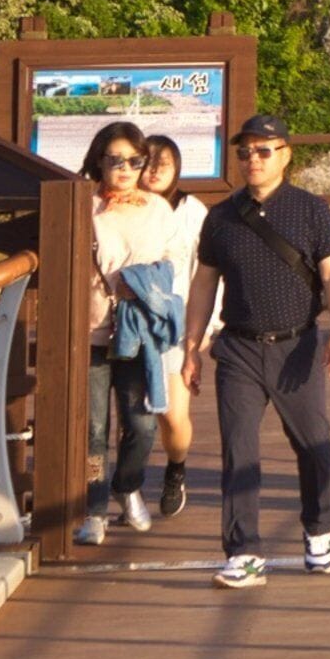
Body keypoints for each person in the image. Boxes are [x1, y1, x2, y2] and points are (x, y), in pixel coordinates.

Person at [182, 113, 330, 589]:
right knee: (238, 448)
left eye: (262, 150)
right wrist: (191, 347)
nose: (252, 159)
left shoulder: (311, 210)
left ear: (285, 155)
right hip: (238, 347)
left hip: (297, 345)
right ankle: (244, 553)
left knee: (314, 445)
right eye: (244, 152)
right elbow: (203, 283)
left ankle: (319, 531)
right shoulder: (221, 217)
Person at [75, 122, 183, 546]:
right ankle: (94, 508)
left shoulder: (158, 208)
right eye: (115, 160)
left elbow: (174, 261)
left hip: (139, 332)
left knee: (142, 423)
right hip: (90, 330)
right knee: (94, 430)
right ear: (98, 160)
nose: (124, 168)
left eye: (134, 161)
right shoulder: (84, 203)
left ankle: (128, 484)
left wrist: (142, 282)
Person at [141, 135, 209, 519]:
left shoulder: (192, 211)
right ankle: (128, 485)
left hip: (176, 326)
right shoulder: (123, 206)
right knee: (133, 415)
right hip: (129, 324)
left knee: (171, 413)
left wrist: (206, 329)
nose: (153, 171)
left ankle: (176, 469)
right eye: (146, 162)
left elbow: (208, 273)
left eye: (162, 164)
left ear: (176, 169)